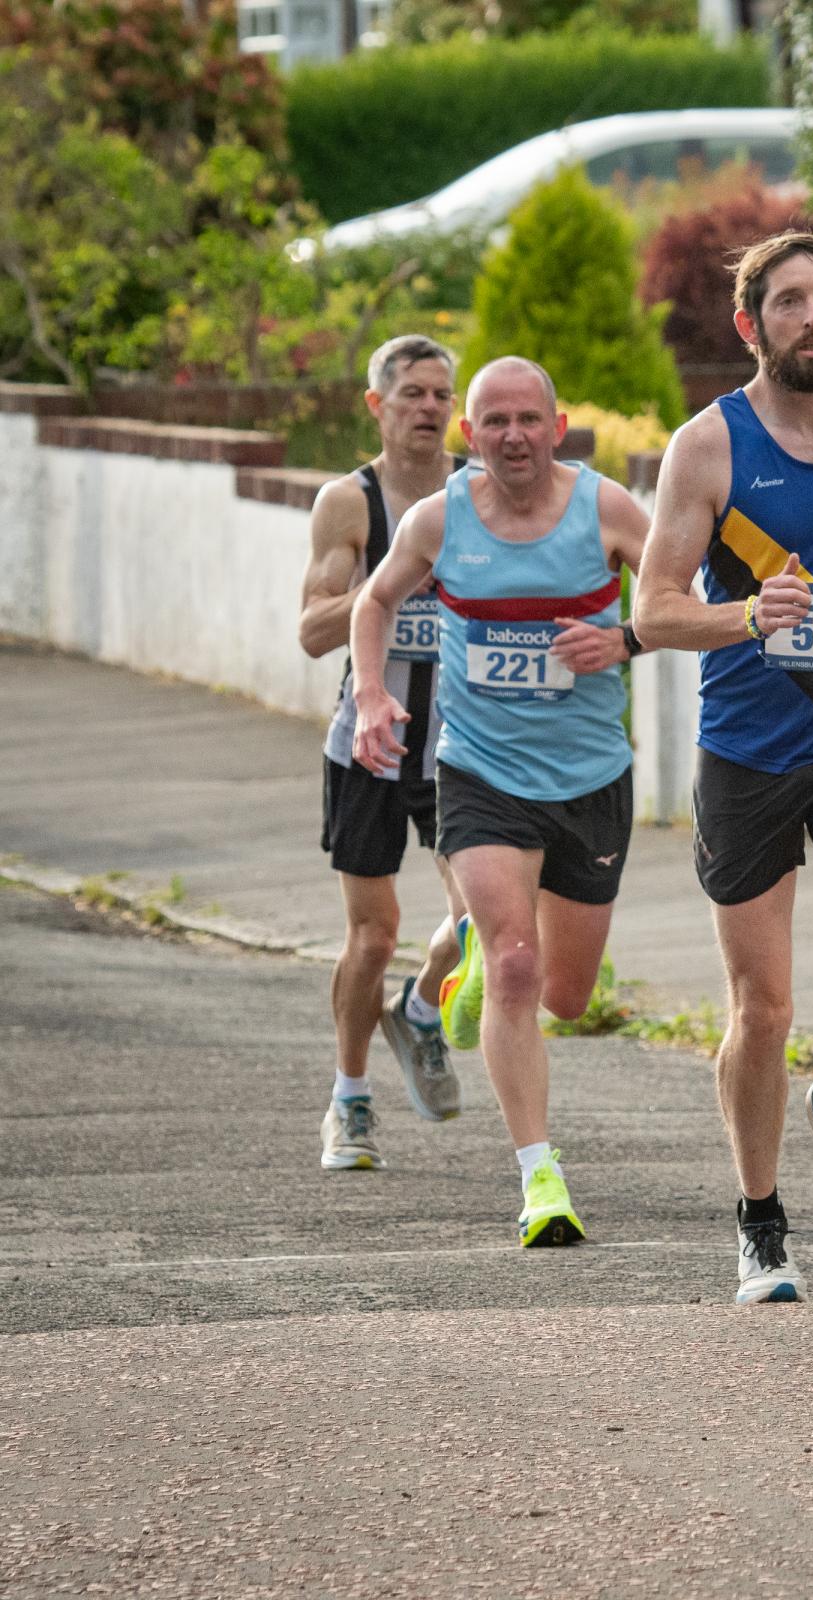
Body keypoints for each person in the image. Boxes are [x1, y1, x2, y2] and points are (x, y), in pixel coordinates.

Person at [632, 232, 813, 1304]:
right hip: (748, 746)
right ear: (751, 325)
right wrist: (743, 613)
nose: (812, 317)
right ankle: (760, 1218)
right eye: (789, 302)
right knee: (760, 1009)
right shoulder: (708, 447)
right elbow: (652, 611)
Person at [351, 356, 651, 1247]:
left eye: (529, 420)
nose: (513, 436)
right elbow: (372, 601)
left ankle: (479, 945)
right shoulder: (438, 521)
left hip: (593, 777)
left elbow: (684, 596)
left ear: (557, 428)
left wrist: (625, 639)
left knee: (565, 993)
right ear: (467, 435)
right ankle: (540, 1177)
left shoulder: (608, 511)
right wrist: (372, 695)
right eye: (494, 422)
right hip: (479, 772)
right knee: (518, 970)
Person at [297, 334, 469, 1170]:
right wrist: (390, 584)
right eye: (413, 395)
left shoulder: (478, 491)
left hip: (462, 743)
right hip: (369, 739)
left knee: (481, 916)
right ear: (378, 405)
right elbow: (310, 630)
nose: (430, 409)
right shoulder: (351, 502)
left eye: (442, 395)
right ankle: (349, 1099)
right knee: (372, 935)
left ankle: (424, 1010)